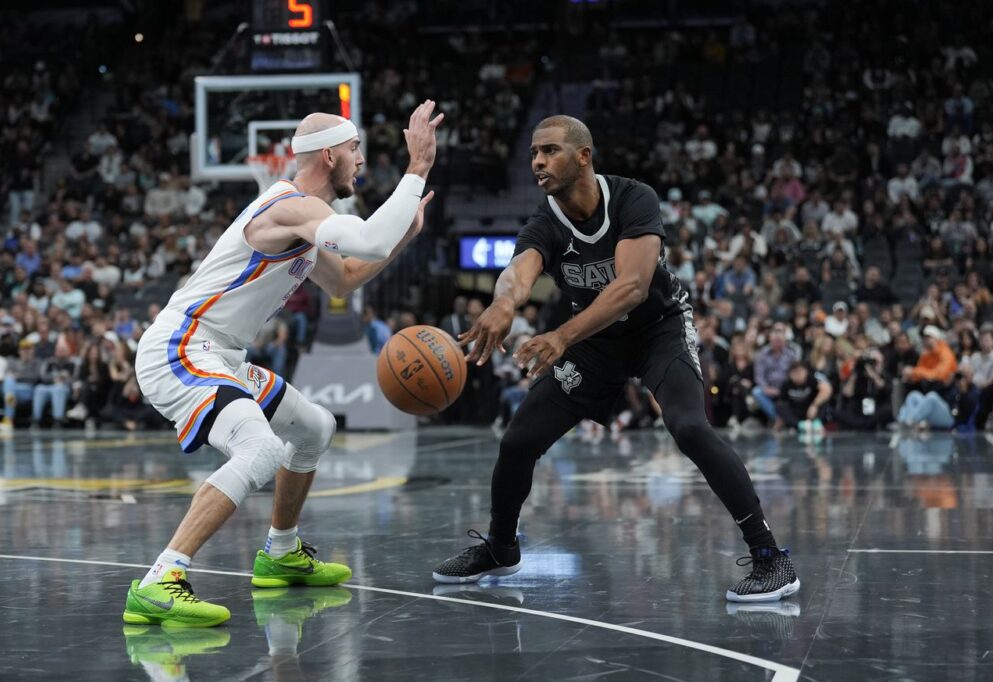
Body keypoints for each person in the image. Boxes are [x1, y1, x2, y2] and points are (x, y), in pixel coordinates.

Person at [433, 116, 798, 603]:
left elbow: (631, 287)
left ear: (583, 155)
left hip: (657, 329)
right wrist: (503, 304)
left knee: (689, 426)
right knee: (518, 440)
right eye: (533, 153)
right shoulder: (545, 220)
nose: (538, 161)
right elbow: (519, 273)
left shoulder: (632, 198)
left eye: (550, 151)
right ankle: (501, 548)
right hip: (596, 343)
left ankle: (771, 559)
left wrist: (561, 335)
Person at [126, 101, 443, 627]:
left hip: (219, 353)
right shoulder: (288, 207)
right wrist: (417, 168)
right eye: (354, 149)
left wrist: (405, 234)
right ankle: (162, 578)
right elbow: (366, 236)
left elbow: (343, 278)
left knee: (315, 427)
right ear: (327, 155)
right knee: (261, 449)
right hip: (180, 347)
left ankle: (280, 552)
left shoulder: (306, 221)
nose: (361, 160)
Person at [774, 361, 833, 431]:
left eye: (800, 372)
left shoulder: (812, 379)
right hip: (796, 412)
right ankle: (800, 425)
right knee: (779, 406)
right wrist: (780, 419)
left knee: (824, 402)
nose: (797, 375)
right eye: (794, 373)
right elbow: (782, 401)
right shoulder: (786, 384)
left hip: (810, 410)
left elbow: (826, 390)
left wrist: (815, 405)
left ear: (806, 371)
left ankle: (817, 423)